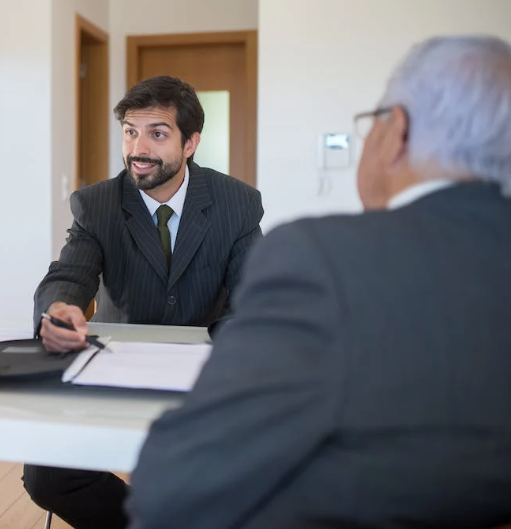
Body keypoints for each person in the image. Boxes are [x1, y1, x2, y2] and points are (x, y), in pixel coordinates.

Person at [127, 35, 511, 529]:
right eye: (130, 132)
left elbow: (173, 485)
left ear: (397, 132)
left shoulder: (319, 258)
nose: (139, 147)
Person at [24, 76, 264, 529]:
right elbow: (68, 276)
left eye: (157, 133)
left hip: (204, 374)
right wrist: (59, 308)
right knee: (45, 474)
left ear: (191, 142)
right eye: (131, 132)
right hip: (117, 370)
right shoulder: (96, 205)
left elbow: (254, 301)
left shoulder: (237, 203)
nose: (139, 148)